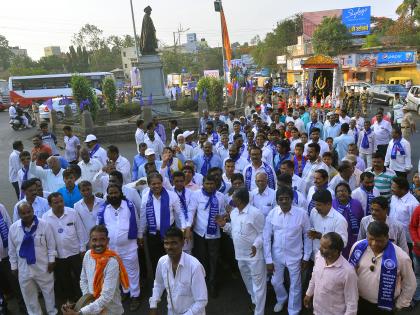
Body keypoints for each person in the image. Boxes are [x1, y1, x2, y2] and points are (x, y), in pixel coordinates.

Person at [216, 188, 266, 315]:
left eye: (234, 197)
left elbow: (263, 233)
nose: (231, 199)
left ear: (240, 199)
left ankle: (259, 312)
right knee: (248, 281)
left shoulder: (255, 213)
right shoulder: (233, 214)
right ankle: (255, 302)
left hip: (255, 255)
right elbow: (234, 231)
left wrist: (256, 245)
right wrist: (224, 226)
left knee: (258, 285)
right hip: (240, 255)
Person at [349, 221, 416, 314]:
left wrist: (400, 304)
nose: (374, 244)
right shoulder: (357, 247)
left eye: (379, 240)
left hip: (385, 307)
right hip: (359, 302)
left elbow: (410, 283)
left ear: (387, 237)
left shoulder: (401, 257)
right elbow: (350, 271)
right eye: (370, 239)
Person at [263, 186, 311, 314]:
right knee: (275, 281)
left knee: (295, 285)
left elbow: (308, 236)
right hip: (276, 256)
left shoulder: (302, 214)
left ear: (292, 199)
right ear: (277, 201)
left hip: (295, 256)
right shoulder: (272, 213)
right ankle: (282, 298)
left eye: (286, 198)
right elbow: (266, 237)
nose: (284, 201)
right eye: (281, 199)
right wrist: (268, 259)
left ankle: (293, 310)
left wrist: (306, 257)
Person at [61, 225, 129, 315]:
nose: (98, 244)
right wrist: (87, 299)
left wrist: (80, 312)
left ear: (107, 241)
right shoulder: (88, 255)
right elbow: (83, 280)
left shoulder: (112, 262)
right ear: (89, 241)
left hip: (111, 311)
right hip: (92, 309)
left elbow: (106, 297)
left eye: (102, 239)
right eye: (94, 240)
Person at [97, 184, 142, 311]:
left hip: (129, 247)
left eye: (115, 193)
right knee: (118, 272)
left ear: (120, 193)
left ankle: (135, 296)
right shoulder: (104, 209)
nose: (113, 195)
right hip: (111, 249)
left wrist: (139, 236)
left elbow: (137, 221)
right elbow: (99, 226)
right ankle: (125, 291)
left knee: (132, 272)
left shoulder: (129, 206)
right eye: (110, 193)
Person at [8, 202, 57, 315]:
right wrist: (14, 266)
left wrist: (51, 261)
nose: (26, 215)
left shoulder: (44, 224)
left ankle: (52, 312)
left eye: (28, 212)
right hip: (23, 268)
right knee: (29, 296)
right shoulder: (14, 228)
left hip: (43, 266)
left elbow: (51, 245)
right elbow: (12, 250)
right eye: (23, 213)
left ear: (33, 211)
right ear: (19, 214)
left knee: (48, 292)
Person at [149, 226, 208, 315]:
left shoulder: (195, 266)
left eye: (174, 243)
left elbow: (201, 301)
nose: (169, 247)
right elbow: (158, 284)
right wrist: (153, 305)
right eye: (166, 243)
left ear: (183, 243)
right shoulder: (162, 262)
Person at [42, 192, 85, 302]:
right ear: (50, 204)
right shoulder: (45, 217)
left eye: (61, 201)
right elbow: (46, 238)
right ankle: (71, 300)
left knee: (80, 277)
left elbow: (80, 230)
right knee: (64, 279)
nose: (59, 204)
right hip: (59, 255)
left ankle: (84, 299)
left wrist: (82, 248)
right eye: (56, 202)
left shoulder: (72, 212)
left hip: (75, 252)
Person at [139, 172, 186, 273]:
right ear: (149, 185)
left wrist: (184, 229)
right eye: (153, 184)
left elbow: (180, 214)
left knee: (172, 258)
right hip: (153, 234)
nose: (156, 186)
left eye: (158, 183)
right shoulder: (145, 197)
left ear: (162, 183)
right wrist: (140, 234)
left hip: (170, 234)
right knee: (156, 260)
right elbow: (143, 217)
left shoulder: (172, 195)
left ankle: (174, 281)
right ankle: (160, 284)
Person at [189, 174, 226, 297]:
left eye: (212, 184)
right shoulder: (196, 195)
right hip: (200, 233)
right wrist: (188, 228)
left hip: (214, 234)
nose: (209, 186)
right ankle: (202, 282)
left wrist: (222, 217)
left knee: (214, 259)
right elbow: (191, 212)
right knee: (201, 258)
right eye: (207, 183)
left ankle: (212, 282)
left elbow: (224, 212)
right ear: (203, 184)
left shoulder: (220, 197)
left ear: (216, 185)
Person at [304, 232, 358, 315]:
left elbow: (352, 302)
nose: (320, 248)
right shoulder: (319, 256)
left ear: (336, 251)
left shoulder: (348, 272)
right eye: (321, 245)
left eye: (324, 247)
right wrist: (308, 294)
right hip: (317, 311)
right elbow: (314, 276)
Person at [309, 189, 348, 258]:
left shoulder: (339, 220)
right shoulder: (314, 212)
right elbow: (312, 228)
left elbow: (343, 243)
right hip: (315, 257)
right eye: (315, 204)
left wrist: (321, 236)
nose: (316, 207)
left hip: (331, 259)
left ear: (329, 204)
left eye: (319, 205)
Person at [390, 176, 419, 258]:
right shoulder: (393, 197)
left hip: (407, 241)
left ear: (403, 189)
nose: (391, 189)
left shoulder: (413, 204)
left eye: (394, 187)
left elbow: (414, 224)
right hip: (393, 236)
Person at [332, 182, 364, 258]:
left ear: (349, 192)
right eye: (338, 191)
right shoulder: (332, 204)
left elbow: (361, 220)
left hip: (353, 237)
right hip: (337, 237)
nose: (341, 193)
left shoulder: (356, 204)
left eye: (344, 191)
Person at [409, 205, 420, 307]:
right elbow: (413, 226)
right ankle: (416, 298)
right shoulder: (418, 209)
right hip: (418, 252)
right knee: (417, 275)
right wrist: (416, 241)